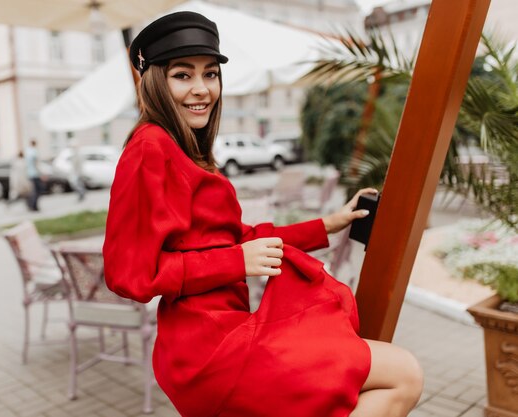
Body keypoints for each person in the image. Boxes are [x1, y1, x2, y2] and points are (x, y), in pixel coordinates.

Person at [103, 11, 423, 417]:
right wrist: (236, 262)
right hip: (208, 349)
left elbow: (238, 235)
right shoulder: (150, 148)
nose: (201, 89)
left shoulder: (184, 150)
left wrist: (328, 224)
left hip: (224, 332)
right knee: (404, 374)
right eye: (182, 75)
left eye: (210, 74)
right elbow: (127, 276)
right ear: (156, 82)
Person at [24, 139, 43, 212]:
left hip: (29, 174)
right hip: (35, 174)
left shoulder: (27, 151)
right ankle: (34, 206)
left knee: (33, 191)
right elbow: (36, 164)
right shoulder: (34, 152)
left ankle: (32, 205)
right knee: (38, 191)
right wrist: (41, 174)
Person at [67, 137, 86, 202]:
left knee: (78, 184)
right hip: (76, 172)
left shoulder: (78, 154)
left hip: (78, 172)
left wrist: (77, 172)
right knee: (78, 184)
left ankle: (82, 195)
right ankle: (81, 194)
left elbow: (78, 165)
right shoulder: (74, 154)